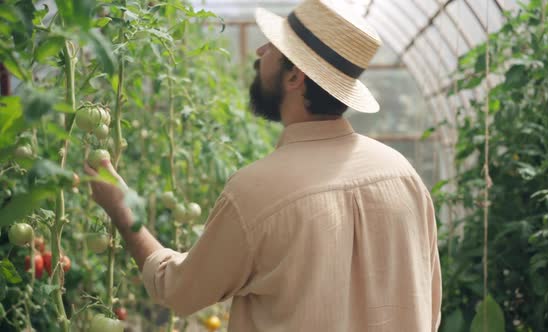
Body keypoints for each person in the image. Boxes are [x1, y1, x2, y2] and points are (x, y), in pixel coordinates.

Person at [85, 0, 442, 331]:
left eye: (272, 46)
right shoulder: (403, 176)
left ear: (293, 76)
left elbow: (178, 291)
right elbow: (428, 306)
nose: (259, 51)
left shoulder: (257, 192)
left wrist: (121, 207)